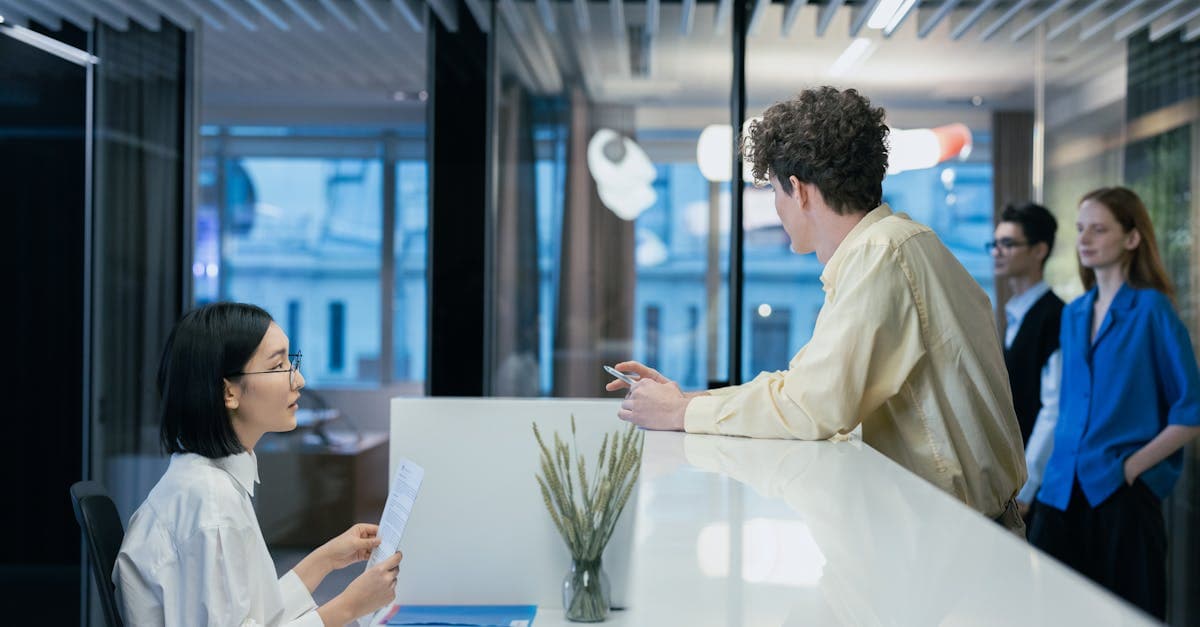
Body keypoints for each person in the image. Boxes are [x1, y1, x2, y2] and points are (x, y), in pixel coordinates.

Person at [606, 86, 1027, 532]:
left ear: (799, 191)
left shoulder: (879, 257)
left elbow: (811, 408)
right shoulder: (897, 245)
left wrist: (680, 413)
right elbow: (804, 387)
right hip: (956, 527)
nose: (776, 207)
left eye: (774, 191)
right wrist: (687, 399)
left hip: (958, 536)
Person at [114, 303, 404, 626]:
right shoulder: (211, 504)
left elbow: (252, 615)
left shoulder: (206, 484)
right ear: (229, 392)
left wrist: (326, 559)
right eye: (278, 365)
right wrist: (350, 606)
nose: (300, 380)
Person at [1028, 187, 1200, 620]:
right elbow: (1068, 409)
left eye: (1099, 229)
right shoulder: (1074, 313)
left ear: (1132, 238)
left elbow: (1191, 410)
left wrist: (1132, 467)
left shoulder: (1151, 310)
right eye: (1081, 229)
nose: (1085, 239)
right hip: (1059, 495)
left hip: (1120, 498)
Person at [990, 202, 1065, 521]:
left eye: (1008, 244)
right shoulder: (1016, 312)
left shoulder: (1055, 316)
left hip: (1037, 487)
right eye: (995, 243)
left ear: (1039, 251)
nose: (997, 252)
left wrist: (1027, 484)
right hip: (1012, 475)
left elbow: (1054, 408)